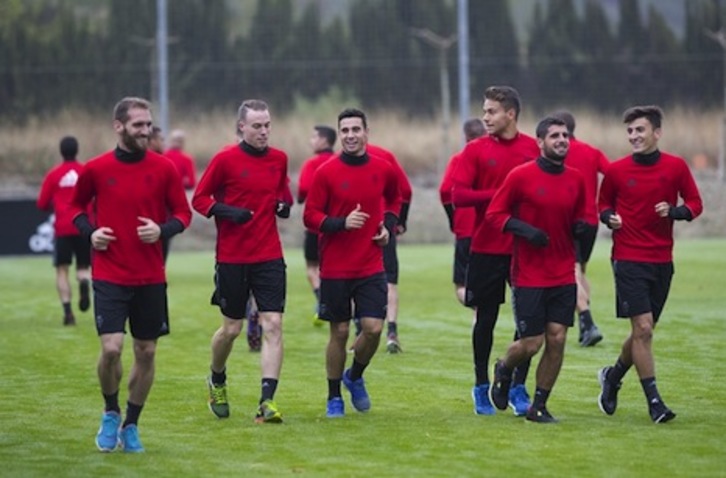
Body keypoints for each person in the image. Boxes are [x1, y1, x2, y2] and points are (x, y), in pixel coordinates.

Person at [70, 97, 192, 452]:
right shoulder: (95, 169)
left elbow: (183, 214)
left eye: (148, 124)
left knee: (147, 351)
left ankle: (132, 424)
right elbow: (75, 207)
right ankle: (110, 411)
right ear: (119, 126)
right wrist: (89, 233)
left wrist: (162, 229)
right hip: (109, 273)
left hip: (150, 275)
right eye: (138, 125)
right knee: (111, 348)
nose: (146, 131)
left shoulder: (165, 168)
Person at [596, 105, 703, 424]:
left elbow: (695, 204)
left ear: (657, 132)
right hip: (628, 258)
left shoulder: (676, 167)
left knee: (643, 331)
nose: (633, 136)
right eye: (629, 131)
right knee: (642, 329)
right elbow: (603, 204)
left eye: (639, 130)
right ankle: (654, 402)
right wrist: (608, 218)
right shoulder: (616, 171)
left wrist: (675, 211)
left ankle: (612, 377)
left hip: (662, 260)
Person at [192, 99, 291, 424]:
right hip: (233, 258)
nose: (264, 132)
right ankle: (216, 378)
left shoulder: (279, 159)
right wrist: (228, 211)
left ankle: (267, 401)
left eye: (267, 125)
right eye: (257, 126)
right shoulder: (225, 160)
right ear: (241, 127)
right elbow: (200, 199)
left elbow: (283, 195)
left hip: (270, 256)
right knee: (231, 329)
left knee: (273, 325)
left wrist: (283, 206)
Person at [486, 116, 586, 423]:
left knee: (557, 340)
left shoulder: (577, 179)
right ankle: (504, 368)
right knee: (532, 342)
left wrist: (584, 229)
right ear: (540, 142)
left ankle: (539, 406)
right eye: (554, 135)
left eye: (565, 135)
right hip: (528, 274)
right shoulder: (520, 176)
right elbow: (494, 214)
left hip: (562, 274)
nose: (561, 140)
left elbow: (583, 218)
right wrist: (525, 231)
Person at [303, 107, 401, 418]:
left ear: (366, 133)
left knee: (372, 329)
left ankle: (354, 376)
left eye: (355, 130)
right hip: (335, 267)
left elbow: (396, 197)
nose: (350, 135)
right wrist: (341, 223)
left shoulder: (383, 168)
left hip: (371, 264)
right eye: (344, 130)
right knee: (340, 331)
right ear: (339, 135)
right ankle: (334, 396)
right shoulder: (326, 172)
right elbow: (310, 216)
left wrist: (387, 225)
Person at [451, 86, 539, 417]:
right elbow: (459, 196)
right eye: (484, 111)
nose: (484, 117)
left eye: (491, 111)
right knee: (485, 320)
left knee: (529, 323)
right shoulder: (474, 151)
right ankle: (479, 385)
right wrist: (501, 195)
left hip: (524, 250)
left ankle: (516, 385)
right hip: (487, 247)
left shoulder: (534, 148)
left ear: (511, 114)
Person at [551, 111, 609, 347]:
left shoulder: (555, 152)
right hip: (591, 221)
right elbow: (613, 173)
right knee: (580, 271)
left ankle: (587, 319)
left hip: (567, 220)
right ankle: (585, 324)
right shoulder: (592, 152)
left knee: (569, 271)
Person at [37, 136, 92, 326]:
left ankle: (68, 312)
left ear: (61, 152)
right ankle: (84, 282)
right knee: (84, 267)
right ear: (77, 150)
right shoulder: (85, 171)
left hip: (63, 227)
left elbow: (42, 203)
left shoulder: (54, 175)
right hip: (83, 226)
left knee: (62, 270)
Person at [367, 143, 412, 353]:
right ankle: (391, 331)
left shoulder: (341, 159)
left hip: (356, 224)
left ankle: (361, 330)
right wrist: (400, 221)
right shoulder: (385, 156)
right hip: (384, 222)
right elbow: (406, 191)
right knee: (390, 280)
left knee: (355, 278)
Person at [439, 118, 485, 305]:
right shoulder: (495, 159)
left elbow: (445, 191)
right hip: (491, 231)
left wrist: (453, 218)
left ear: (466, 137)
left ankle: (477, 308)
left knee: (461, 285)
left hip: (466, 230)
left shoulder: (459, 159)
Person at [297, 125, 337, 326]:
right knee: (333, 268)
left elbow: (303, 189)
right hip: (338, 226)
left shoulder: (312, 164)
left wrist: (302, 197)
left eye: (314, 137)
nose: (311, 141)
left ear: (324, 140)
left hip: (316, 226)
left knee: (312, 268)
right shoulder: (340, 162)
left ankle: (322, 301)